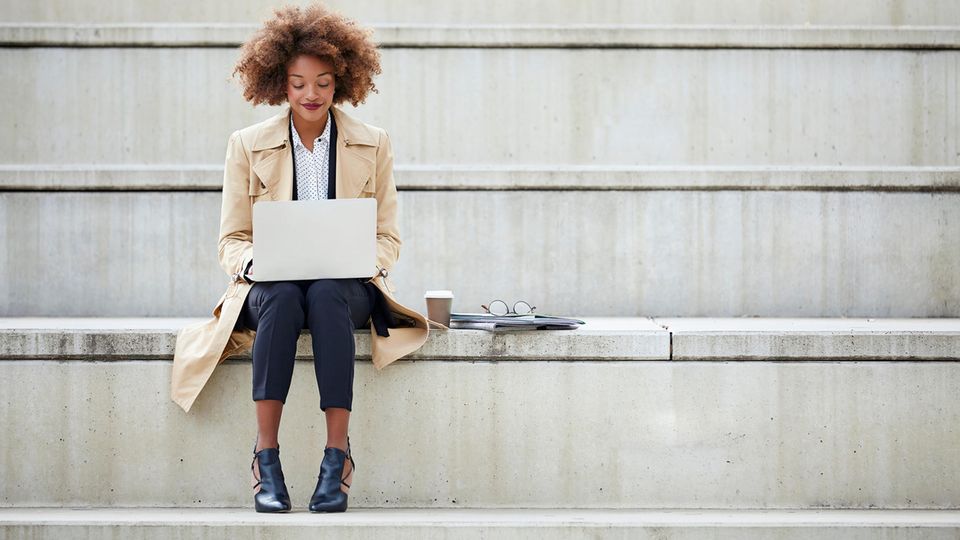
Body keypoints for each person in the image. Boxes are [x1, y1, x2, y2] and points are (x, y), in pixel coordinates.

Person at [169, 3, 430, 514]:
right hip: (271, 286)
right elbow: (232, 239)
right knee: (285, 296)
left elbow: (388, 237)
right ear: (279, 85)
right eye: (297, 83)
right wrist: (255, 264)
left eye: (323, 82)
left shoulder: (372, 143)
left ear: (342, 83)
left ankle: (338, 457)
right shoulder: (246, 145)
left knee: (329, 293)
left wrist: (362, 258)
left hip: (345, 286)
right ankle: (266, 457)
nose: (311, 94)